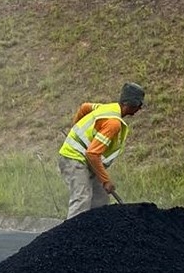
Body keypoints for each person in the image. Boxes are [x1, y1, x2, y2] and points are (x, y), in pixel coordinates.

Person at [58, 82, 145, 219]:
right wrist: (105, 181)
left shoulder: (108, 108)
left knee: (101, 199)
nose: (140, 109)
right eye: (139, 105)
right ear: (130, 104)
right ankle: (72, 237)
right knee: (82, 198)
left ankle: (95, 234)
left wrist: (75, 126)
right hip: (74, 158)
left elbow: (84, 107)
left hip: (86, 160)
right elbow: (92, 154)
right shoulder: (113, 123)